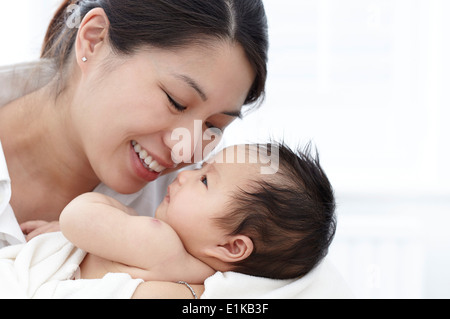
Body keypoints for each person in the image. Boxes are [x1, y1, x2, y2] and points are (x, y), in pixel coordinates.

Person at [0, 0, 268, 249]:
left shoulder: (195, 225)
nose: (186, 151)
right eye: (176, 101)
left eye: (213, 126)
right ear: (94, 40)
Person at [19, 142, 336, 298]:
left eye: (205, 181)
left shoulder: (161, 244)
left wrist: (113, 216)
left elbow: (77, 216)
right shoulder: (201, 284)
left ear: (232, 246)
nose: (185, 175)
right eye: (201, 168)